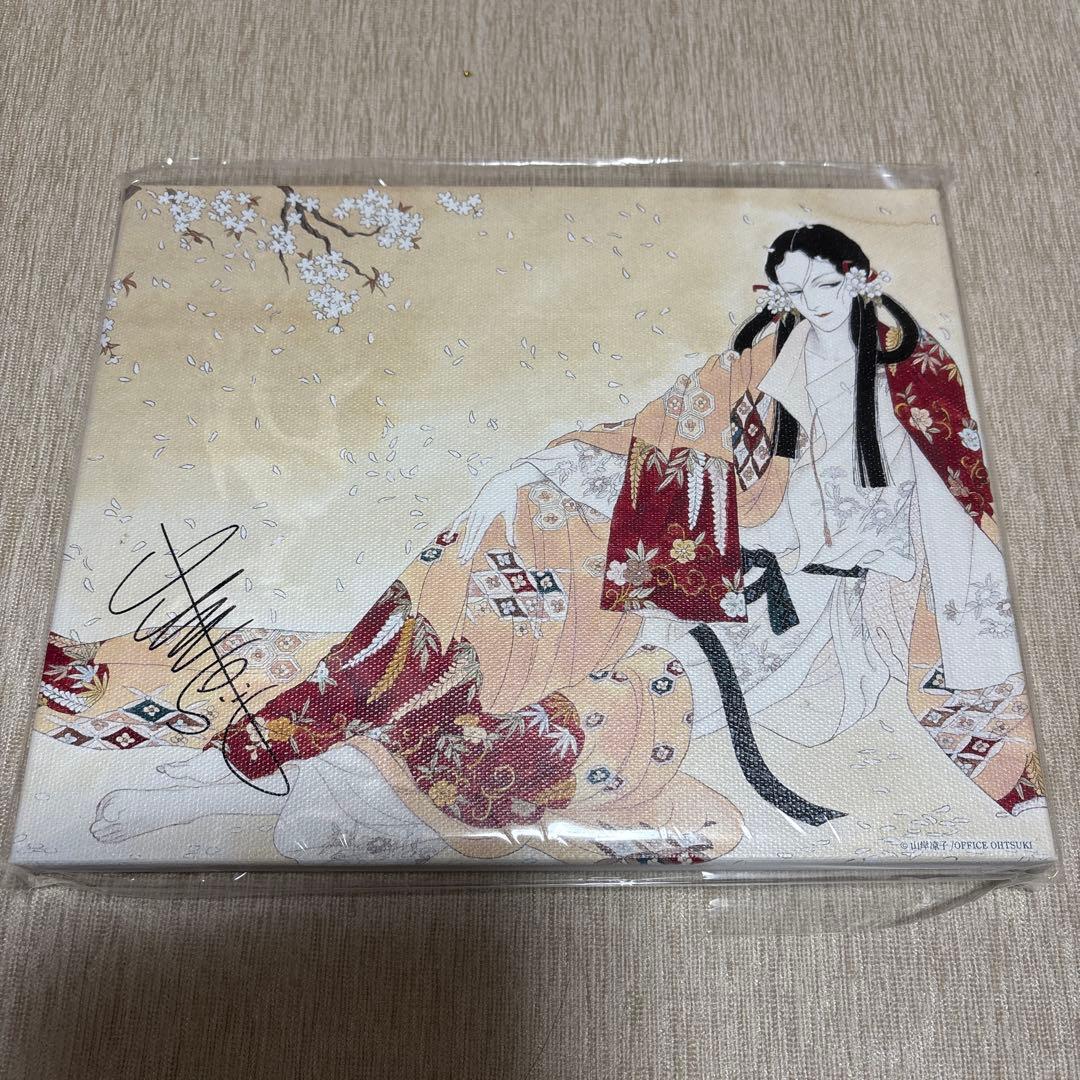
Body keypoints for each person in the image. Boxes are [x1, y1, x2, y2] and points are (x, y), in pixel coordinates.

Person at [41, 223, 1043, 866]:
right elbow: (673, 438)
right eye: (791, 295)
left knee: (590, 720)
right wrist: (597, 482)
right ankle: (334, 722)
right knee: (521, 518)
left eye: (824, 289)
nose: (809, 309)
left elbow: (947, 545)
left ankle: (360, 763)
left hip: (803, 611)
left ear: (862, 278)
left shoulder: (918, 385)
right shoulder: (760, 355)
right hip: (697, 556)